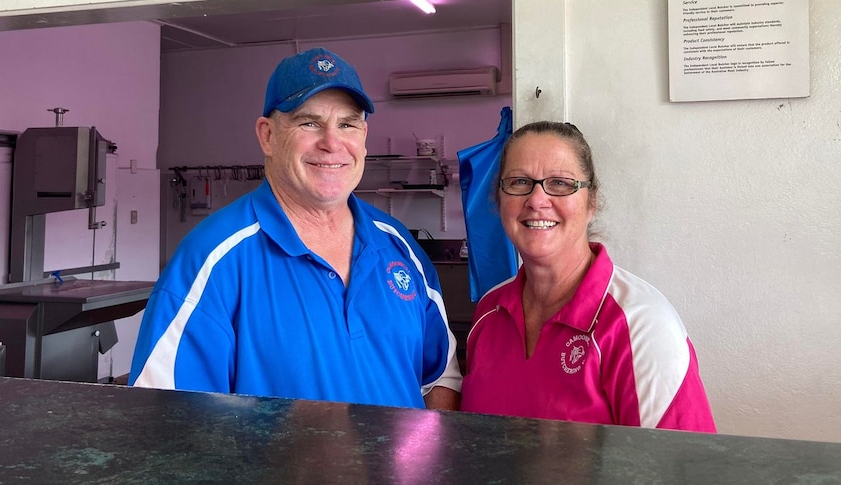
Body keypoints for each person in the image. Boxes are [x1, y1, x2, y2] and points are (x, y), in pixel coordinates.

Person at [128, 47, 462, 410]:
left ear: (363, 136)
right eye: (309, 123)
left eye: (347, 124)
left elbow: (440, 377)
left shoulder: (399, 246)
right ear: (267, 136)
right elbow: (163, 420)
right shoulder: (213, 259)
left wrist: (427, 463)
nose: (332, 143)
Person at [459, 121, 716, 431]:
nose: (537, 200)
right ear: (499, 200)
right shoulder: (489, 311)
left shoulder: (641, 324)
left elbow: (683, 467)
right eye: (518, 182)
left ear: (591, 201)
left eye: (560, 183)